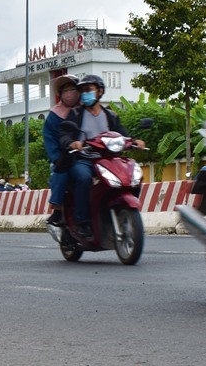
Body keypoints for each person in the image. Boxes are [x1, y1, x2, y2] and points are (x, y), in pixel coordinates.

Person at [60, 74, 146, 241]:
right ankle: (82, 222)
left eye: (89, 90)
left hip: (109, 159)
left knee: (132, 175)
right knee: (82, 177)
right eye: (83, 91)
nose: (85, 94)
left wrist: (135, 142)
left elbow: (123, 134)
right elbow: (64, 134)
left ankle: (122, 210)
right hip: (85, 159)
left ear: (99, 92)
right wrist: (72, 143)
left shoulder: (111, 115)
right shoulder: (76, 114)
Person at [43, 75, 81, 226]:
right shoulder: (53, 116)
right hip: (63, 156)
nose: (70, 93)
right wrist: (56, 157)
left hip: (87, 154)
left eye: (73, 89)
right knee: (61, 173)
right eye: (66, 90)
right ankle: (57, 210)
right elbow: (49, 139)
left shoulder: (85, 110)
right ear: (61, 93)